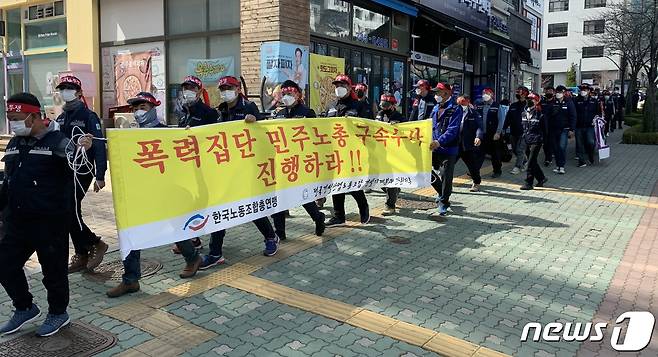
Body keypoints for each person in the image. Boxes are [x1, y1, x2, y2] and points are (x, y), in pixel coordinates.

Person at [0, 93, 92, 337]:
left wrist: (86, 149)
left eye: (18, 118)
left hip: (50, 223)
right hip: (17, 222)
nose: (14, 124)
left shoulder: (60, 143)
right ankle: (25, 307)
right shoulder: (14, 144)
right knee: (4, 264)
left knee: (53, 272)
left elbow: (81, 170)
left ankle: (58, 313)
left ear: (35, 116)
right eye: (10, 119)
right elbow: (8, 183)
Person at [107, 92, 204, 298]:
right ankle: (131, 279)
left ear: (153, 108)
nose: (138, 112)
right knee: (131, 231)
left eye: (142, 107)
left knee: (176, 227)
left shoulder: (166, 133)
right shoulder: (130, 135)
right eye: (135, 109)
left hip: (165, 192)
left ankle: (192, 257)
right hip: (140, 192)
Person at [198, 75, 281, 270]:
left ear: (237, 89)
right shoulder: (221, 110)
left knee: (251, 207)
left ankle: (271, 237)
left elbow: (263, 130)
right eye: (222, 89)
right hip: (226, 168)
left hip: (247, 167)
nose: (225, 92)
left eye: (229, 88)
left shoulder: (248, 107)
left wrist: (255, 120)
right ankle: (215, 252)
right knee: (221, 208)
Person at [55, 75, 109, 274]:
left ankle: (96, 243)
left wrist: (100, 175)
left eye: (69, 88)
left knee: (69, 210)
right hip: (64, 171)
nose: (65, 91)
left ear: (79, 92)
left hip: (82, 171)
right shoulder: (61, 117)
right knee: (69, 211)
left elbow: (99, 146)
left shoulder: (88, 116)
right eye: (62, 88)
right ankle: (82, 252)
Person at [270, 80, 326, 239]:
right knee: (279, 196)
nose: (287, 96)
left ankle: (318, 217)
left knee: (301, 194)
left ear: (298, 95)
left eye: (290, 93)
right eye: (284, 94)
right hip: (282, 161)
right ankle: (279, 232)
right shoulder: (278, 114)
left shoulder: (308, 113)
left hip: (300, 161)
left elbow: (315, 137)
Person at [173, 75, 213, 255]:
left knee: (205, 204)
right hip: (189, 168)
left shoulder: (208, 113)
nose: (188, 92)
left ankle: (214, 246)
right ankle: (194, 239)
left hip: (206, 168)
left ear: (199, 91)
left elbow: (216, 138)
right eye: (185, 88)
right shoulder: (183, 112)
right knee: (189, 203)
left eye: (192, 88)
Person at [324, 74, 370, 226]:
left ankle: (363, 208)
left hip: (352, 152)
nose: (339, 88)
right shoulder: (330, 106)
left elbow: (368, 127)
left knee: (352, 183)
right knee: (336, 184)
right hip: (334, 151)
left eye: (342, 85)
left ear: (350, 87)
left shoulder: (359, 106)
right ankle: (339, 216)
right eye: (337, 86)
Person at [429, 83, 461, 216]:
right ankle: (441, 192)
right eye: (435, 93)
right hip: (434, 148)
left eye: (438, 93)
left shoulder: (455, 109)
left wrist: (439, 141)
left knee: (446, 176)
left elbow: (452, 130)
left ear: (446, 93)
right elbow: (429, 125)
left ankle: (444, 202)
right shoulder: (436, 107)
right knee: (426, 170)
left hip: (448, 149)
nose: (436, 95)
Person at [375, 93, 407, 215]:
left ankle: (390, 205)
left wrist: (398, 127)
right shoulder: (379, 114)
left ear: (393, 105)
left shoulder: (399, 117)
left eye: (386, 105)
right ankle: (395, 191)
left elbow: (407, 132)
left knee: (391, 180)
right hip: (381, 150)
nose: (384, 107)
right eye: (382, 105)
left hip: (395, 152)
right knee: (380, 178)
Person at [456, 95, 484, 192]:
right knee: (447, 166)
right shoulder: (453, 112)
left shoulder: (474, 113)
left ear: (468, 102)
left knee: (473, 166)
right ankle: (444, 184)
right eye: (458, 103)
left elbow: (479, 127)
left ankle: (476, 182)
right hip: (455, 144)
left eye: (462, 102)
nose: (460, 105)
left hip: (467, 145)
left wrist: (478, 137)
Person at [520, 93, 548, 190]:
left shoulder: (540, 114)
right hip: (527, 139)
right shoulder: (523, 113)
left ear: (537, 101)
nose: (529, 101)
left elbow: (545, 129)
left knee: (530, 162)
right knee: (533, 161)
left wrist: (544, 141)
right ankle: (541, 178)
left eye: (532, 99)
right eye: (528, 99)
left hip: (536, 140)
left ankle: (529, 183)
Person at [476, 88, 504, 178]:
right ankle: (475, 170)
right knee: (479, 153)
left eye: (487, 93)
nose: (484, 95)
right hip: (481, 134)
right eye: (483, 93)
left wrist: (498, 133)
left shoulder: (497, 106)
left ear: (492, 94)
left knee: (495, 154)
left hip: (493, 134)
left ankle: (497, 171)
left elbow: (501, 120)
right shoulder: (479, 105)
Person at [550, 85, 577, 175]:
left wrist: (572, 129)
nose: (558, 94)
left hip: (564, 129)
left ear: (564, 93)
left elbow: (573, 116)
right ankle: (557, 165)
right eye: (557, 92)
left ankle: (561, 166)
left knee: (562, 147)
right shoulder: (553, 102)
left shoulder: (569, 102)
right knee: (555, 148)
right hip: (554, 129)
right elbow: (549, 115)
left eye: (560, 92)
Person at [504, 86, 529, 175]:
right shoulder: (513, 105)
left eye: (519, 92)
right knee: (514, 149)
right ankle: (525, 161)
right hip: (513, 131)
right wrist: (504, 128)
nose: (517, 94)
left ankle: (517, 167)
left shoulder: (528, 106)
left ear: (525, 94)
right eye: (517, 92)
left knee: (520, 149)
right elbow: (508, 118)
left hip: (524, 132)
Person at [574, 83, 600, 167]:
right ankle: (582, 161)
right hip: (579, 126)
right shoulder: (576, 100)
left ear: (589, 91)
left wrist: (597, 119)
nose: (583, 91)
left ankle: (590, 155)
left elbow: (598, 112)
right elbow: (573, 113)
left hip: (590, 126)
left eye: (585, 90)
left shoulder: (594, 101)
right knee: (579, 144)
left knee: (591, 142)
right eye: (582, 90)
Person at [540, 86, 557, 167]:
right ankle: (548, 155)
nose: (548, 93)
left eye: (550, 91)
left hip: (553, 126)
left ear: (553, 92)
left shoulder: (556, 102)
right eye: (547, 91)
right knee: (545, 144)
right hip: (543, 126)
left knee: (550, 143)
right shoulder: (542, 102)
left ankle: (548, 158)